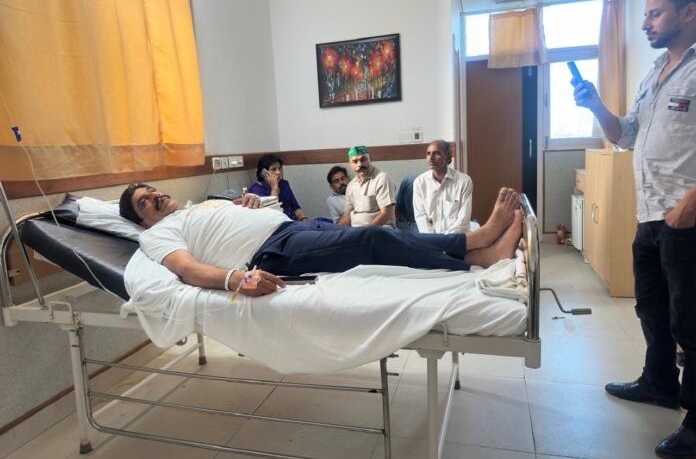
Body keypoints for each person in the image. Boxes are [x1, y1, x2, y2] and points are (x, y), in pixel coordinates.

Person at [573, 0, 696, 459]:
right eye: (644, 14)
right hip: (650, 214)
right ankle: (659, 383)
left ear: (688, 12)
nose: (645, 23)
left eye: (655, 13)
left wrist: (689, 204)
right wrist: (595, 105)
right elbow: (624, 135)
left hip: (686, 216)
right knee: (652, 308)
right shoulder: (656, 72)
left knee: (691, 322)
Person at [119, 183, 523, 299]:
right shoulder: (157, 234)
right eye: (144, 202)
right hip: (271, 252)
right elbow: (187, 269)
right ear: (141, 219)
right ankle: (477, 253)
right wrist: (237, 280)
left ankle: (475, 244)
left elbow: (228, 221)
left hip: (292, 228)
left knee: (386, 234)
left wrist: (250, 203)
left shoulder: (198, 205)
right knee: (372, 239)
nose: (155, 197)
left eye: (153, 191)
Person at [413, 140, 474, 234]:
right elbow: (421, 218)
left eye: (436, 153)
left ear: (448, 158)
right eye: (428, 153)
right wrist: (433, 239)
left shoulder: (464, 181)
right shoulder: (419, 183)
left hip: (455, 237)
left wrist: (445, 239)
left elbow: (462, 221)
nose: (431, 158)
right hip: (430, 239)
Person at [338, 145, 397, 228]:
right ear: (350, 164)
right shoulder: (351, 185)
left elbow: (386, 214)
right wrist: (335, 229)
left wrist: (365, 231)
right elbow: (347, 215)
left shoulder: (382, 178)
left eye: (363, 160)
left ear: (370, 159)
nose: (360, 164)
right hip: (357, 230)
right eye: (355, 161)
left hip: (381, 229)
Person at [248, 154, 308, 222]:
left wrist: (304, 220)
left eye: (279, 168)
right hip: (280, 225)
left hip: (294, 222)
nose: (278, 172)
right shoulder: (256, 189)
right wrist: (274, 188)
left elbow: (296, 208)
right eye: (274, 169)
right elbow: (271, 215)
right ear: (264, 173)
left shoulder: (284, 184)